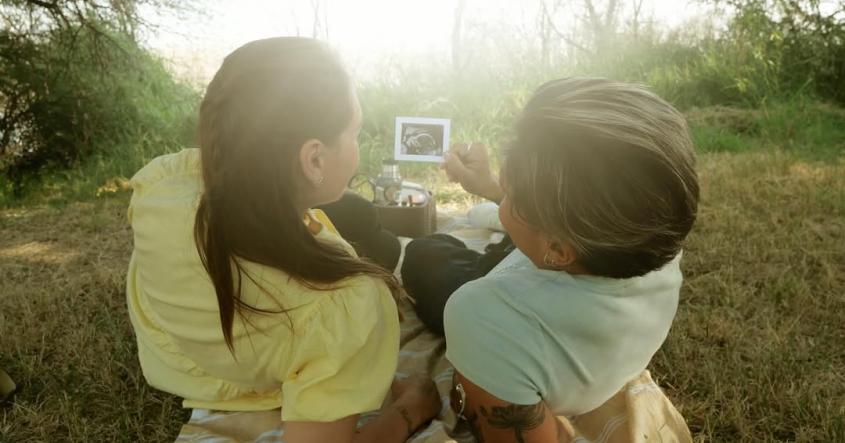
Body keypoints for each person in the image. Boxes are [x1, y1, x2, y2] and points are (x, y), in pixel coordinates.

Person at [126, 37, 440, 443]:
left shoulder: (163, 187)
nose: (359, 148)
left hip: (175, 346)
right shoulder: (345, 307)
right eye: (355, 133)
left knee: (361, 217)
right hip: (230, 376)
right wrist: (410, 410)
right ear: (313, 159)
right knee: (380, 245)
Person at [402, 78, 699, 442]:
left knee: (424, 254)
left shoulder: (481, 317)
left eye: (510, 193)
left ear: (557, 252)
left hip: (499, 297)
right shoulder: (652, 231)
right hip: (541, 275)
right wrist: (495, 190)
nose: (504, 191)